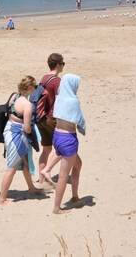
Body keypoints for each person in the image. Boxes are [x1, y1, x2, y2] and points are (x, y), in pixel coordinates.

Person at [0, 76, 42, 206]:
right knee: (11, 167)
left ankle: (31, 187)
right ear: (30, 88)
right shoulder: (27, 105)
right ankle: (2, 199)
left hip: (9, 129)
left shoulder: (15, 96)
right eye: (34, 87)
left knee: (25, 163)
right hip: (17, 136)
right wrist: (32, 133)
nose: (35, 89)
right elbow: (27, 128)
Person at [52, 74, 86, 214]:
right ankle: (56, 208)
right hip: (68, 139)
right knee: (63, 176)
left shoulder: (59, 98)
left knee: (78, 164)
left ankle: (75, 196)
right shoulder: (73, 101)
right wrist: (83, 128)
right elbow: (79, 120)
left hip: (57, 136)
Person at [35, 53, 64, 186]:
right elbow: (60, 100)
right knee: (63, 148)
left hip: (40, 117)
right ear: (57, 65)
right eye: (62, 63)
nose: (63, 66)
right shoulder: (57, 81)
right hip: (51, 119)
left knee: (46, 149)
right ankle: (49, 173)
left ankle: (42, 180)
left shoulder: (44, 78)